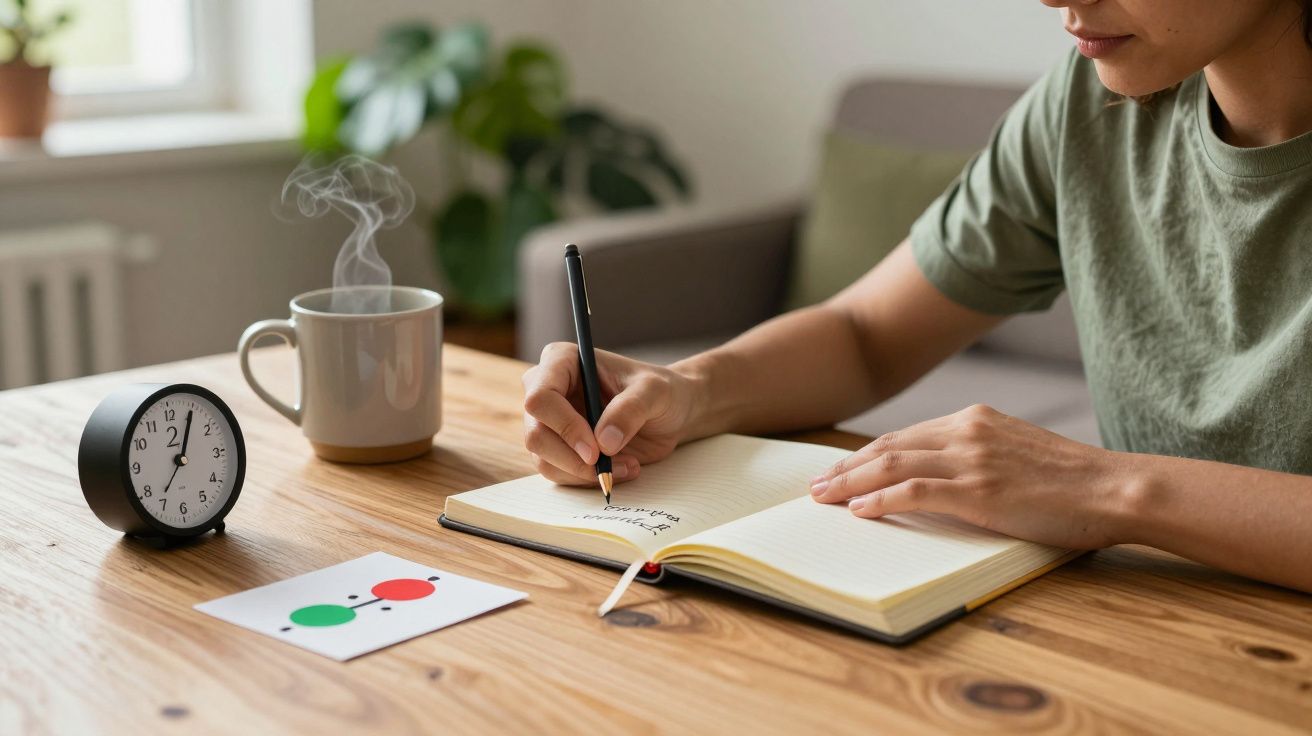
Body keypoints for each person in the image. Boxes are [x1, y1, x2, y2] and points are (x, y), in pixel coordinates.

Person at [520, 0, 1312, 593]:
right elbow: (868, 333)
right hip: (1145, 619)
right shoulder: (1087, 107)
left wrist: (1108, 488)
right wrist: (690, 392)